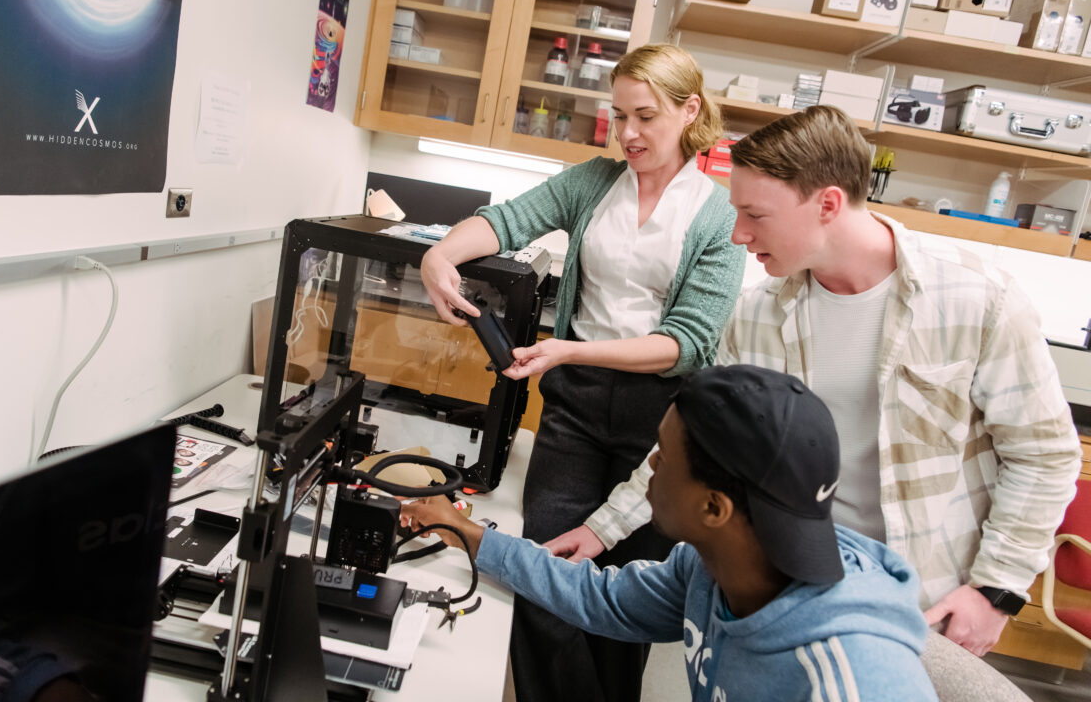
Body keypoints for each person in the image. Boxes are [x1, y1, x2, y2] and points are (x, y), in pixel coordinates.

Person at [548, 104, 1083, 658]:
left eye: (755, 215)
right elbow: (698, 444)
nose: (738, 235)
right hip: (789, 591)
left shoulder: (977, 300)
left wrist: (994, 591)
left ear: (827, 204)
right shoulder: (756, 315)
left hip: (921, 605)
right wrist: (603, 529)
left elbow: (1043, 456)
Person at [419, 43, 746, 702]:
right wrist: (440, 256)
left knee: (623, 606)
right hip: (573, 411)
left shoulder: (718, 216)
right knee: (543, 579)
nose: (627, 133)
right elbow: (508, 221)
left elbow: (686, 344)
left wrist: (567, 350)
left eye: (645, 117)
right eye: (618, 115)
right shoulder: (593, 182)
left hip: (661, 424)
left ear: (690, 110)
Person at [401, 365, 939, 702]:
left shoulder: (849, 680)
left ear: (714, 506)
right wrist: (464, 530)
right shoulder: (711, 569)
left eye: (664, 455)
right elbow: (598, 598)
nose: (649, 466)